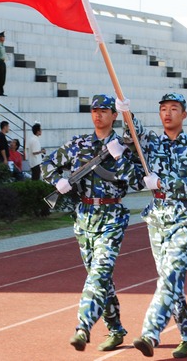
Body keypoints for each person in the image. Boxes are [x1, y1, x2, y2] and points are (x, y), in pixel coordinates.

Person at [42, 94, 144, 353]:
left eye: (104, 111)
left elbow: (138, 181)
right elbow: (47, 165)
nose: (98, 115)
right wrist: (58, 182)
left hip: (112, 215)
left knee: (99, 272)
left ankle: (83, 326)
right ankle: (116, 329)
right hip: (84, 216)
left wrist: (121, 157)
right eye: (94, 110)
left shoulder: (123, 145)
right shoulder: (79, 144)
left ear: (114, 115)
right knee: (99, 277)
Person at [123, 92, 187, 359]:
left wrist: (162, 183)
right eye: (163, 109)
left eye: (173, 108)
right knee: (169, 280)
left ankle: (150, 332)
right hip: (157, 218)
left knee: (171, 274)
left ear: (184, 114)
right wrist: (126, 113)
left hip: (183, 217)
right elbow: (134, 133)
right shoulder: (151, 143)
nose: (168, 113)